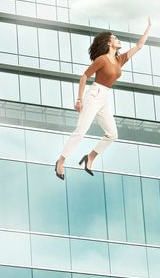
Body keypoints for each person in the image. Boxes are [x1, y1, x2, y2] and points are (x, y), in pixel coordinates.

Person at [55, 18, 152, 180]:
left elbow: (139, 46)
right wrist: (79, 99)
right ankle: (61, 161)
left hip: (105, 97)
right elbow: (85, 76)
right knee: (81, 131)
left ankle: (90, 157)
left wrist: (149, 27)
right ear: (108, 43)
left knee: (112, 134)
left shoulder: (119, 60)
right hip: (94, 95)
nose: (118, 40)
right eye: (115, 38)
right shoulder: (102, 60)